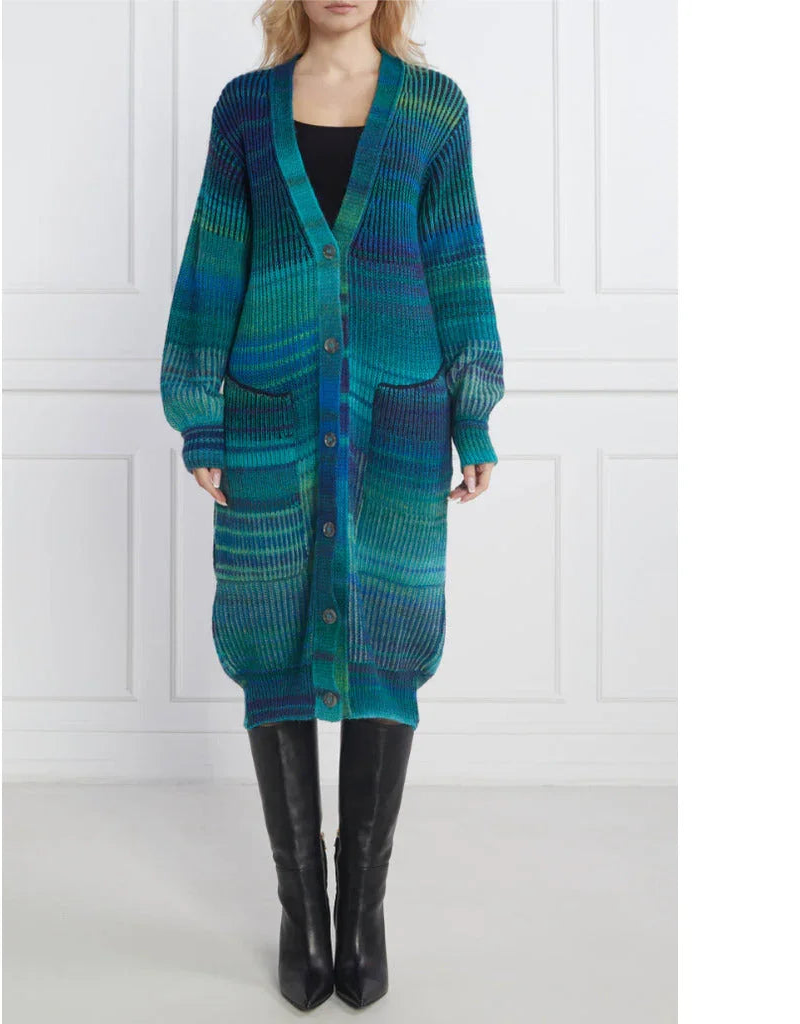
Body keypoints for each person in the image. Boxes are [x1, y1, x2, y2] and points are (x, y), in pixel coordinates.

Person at [159, 0, 503, 1010]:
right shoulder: (245, 110)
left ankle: (363, 908)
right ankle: (301, 907)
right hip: (271, 414)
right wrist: (202, 416)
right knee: (270, 629)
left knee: (388, 634)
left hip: (398, 417)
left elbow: (456, 265)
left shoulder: (434, 110)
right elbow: (213, 263)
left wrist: (472, 413)